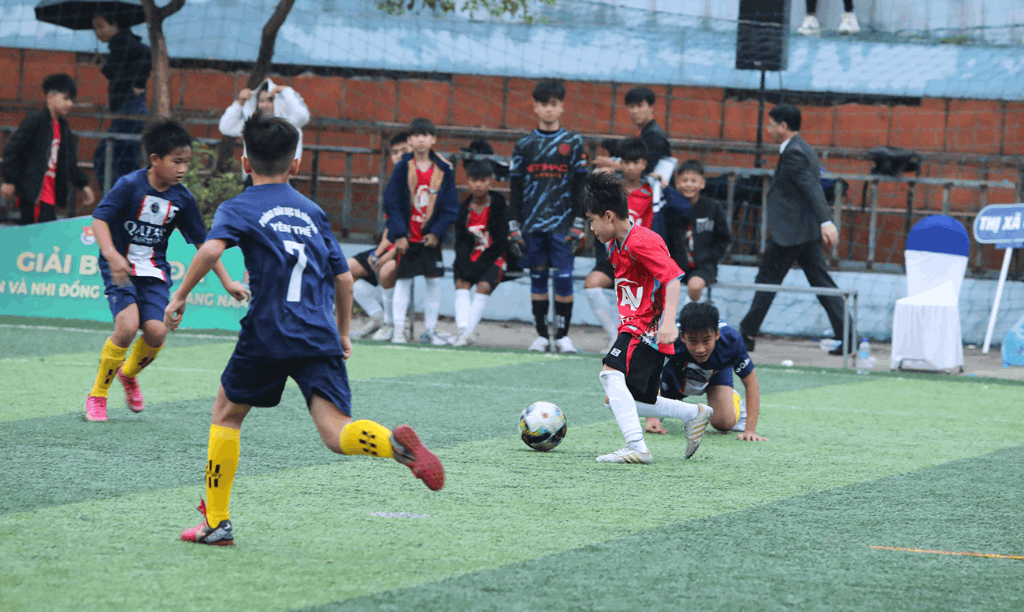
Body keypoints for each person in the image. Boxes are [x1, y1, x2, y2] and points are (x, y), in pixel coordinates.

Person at [164, 112, 444, 545]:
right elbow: (345, 279)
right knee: (335, 431)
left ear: (243, 162)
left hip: (268, 330)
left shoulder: (238, 206)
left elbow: (210, 249)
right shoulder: (313, 211)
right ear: (296, 164)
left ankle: (217, 523)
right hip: (318, 331)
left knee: (227, 414)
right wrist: (344, 333)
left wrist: (179, 296)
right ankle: (393, 444)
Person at [84, 118, 249, 422]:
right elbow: (99, 220)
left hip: (154, 272)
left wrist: (227, 282)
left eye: (187, 162)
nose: (183, 168)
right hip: (120, 268)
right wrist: (111, 254)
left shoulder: (182, 198)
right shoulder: (129, 185)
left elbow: (205, 245)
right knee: (126, 326)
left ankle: (129, 374)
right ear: (155, 160)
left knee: (157, 332)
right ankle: (97, 395)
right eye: (176, 162)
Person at [582, 172, 713, 465]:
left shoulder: (641, 241)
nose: (591, 228)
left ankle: (637, 447)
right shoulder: (617, 244)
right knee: (628, 399)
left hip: (646, 327)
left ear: (608, 216)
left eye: (592, 220)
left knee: (609, 375)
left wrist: (668, 323)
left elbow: (673, 279)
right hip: (637, 326)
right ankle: (693, 414)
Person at [738, 104, 850, 356]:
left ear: (783, 126)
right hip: (800, 232)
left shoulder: (795, 153)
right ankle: (848, 335)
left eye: (771, 124)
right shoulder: (798, 149)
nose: (768, 129)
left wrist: (825, 221)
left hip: (790, 233)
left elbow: (812, 188)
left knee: (767, 281)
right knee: (821, 284)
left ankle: (747, 334)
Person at [507, 80, 588, 353]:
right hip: (532, 224)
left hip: (563, 225)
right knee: (537, 279)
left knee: (564, 279)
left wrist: (579, 223)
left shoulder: (573, 143)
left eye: (553, 104)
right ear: (535, 107)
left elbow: (581, 186)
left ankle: (563, 336)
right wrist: (513, 225)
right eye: (543, 104)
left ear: (562, 106)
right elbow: (515, 189)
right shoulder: (524, 145)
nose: (548, 109)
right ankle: (542, 336)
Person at [383, 118, 459, 345]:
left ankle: (430, 331)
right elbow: (391, 203)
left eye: (426, 135)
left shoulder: (444, 169)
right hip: (408, 238)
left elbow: (450, 207)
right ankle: (398, 331)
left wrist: (437, 232)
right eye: (416, 135)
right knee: (403, 282)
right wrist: (399, 234)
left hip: (430, 239)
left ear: (433, 139)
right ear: (409, 140)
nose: (421, 139)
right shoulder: (402, 168)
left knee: (433, 282)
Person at [648, 302, 767, 441]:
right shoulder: (668, 336)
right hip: (678, 372)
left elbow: (751, 383)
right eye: (693, 341)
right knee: (663, 410)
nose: (700, 349)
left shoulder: (731, 341)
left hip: (717, 373)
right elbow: (650, 373)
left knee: (724, 423)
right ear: (682, 336)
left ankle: (733, 398)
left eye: (706, 340)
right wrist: (652, 416)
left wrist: (750, 430)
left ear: (716, 334)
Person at [584, 138, 654, 347]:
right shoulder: (612, 190)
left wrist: (662, 184)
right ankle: (616, 336)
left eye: (636, 162)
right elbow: (589, 208)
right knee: (591, 285)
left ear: (644, 164)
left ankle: (643, 340)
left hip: (641, 258)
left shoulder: (654, 191)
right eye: (627, 162)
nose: (631, 167)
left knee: (640, 301)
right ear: (620, 163)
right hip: (614, 257)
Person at [1, 74, 94, 224]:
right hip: (35, 193)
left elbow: (69, 161)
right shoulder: (35, 121)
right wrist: (9, 180)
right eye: (66, 98)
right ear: (50, 97)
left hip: (50, 193)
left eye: (72, 100)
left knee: (39, 232)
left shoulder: (64, 128)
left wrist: (83, 184)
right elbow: (13, 150)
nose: (70, 104)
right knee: (39, 233)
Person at [349, 132, 411, 341]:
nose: (399, 156)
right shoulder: (394, 180)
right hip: (392, 244)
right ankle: (376, 316)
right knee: (344, 269)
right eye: (395, 152)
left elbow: (413, 230)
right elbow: (390, 227)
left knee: (386, 270)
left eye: (404, 151)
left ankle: (390, 323)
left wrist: (386, 255)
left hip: (410, 247)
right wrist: (378, 251)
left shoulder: (417, 181)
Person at [452, 160, 509, 347]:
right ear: (467, 183)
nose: (478, 184)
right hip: (470, 258)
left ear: (490, 182)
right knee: (462, 282)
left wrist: (480, 264)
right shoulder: (464, 209)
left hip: (493, 257)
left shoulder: (499, 206)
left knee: (483, 286)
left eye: (483, 180)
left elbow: (501, 241)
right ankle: (463, 330)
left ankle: (466, 333)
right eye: (474, 180)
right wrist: (464, 262)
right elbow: (460, 241)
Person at [92, 10, 150, 190]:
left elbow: (147, 53)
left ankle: (117, 205)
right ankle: (121, 205)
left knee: (105, 159)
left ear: (115, 25)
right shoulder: (120, 44)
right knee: (122, 162)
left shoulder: (122, 41)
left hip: (130, 108)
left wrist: (139, 84)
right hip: (127, 108)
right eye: (95, 28)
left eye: (101, 26)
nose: (97, 32)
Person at [663, 160, 731, 303]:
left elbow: (723, 238)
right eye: (684, 180)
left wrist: (712, 257)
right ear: (677, 183)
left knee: (694, 286)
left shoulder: (713, 207)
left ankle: (690, 313)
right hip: (676, 265)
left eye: (693, 181)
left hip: (703, 266)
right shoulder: (670, 208)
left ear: (702, 184)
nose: (689, 184)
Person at [218, 78, 310, 182]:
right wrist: (239, 102)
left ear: (277, 101)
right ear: (256, 103)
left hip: (280, 182)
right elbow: (225, 127)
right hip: (253, 182)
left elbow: (303, 116)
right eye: (261, 101)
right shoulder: (251, 126)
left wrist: (286, 91)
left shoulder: (287, 124)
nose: (265, 105)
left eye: (270, 100)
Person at [593, 86, 672, 179]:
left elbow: (647, 168)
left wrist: (612, 164)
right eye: (631, 106)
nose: (634, 111)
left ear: (651, 107)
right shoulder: (647, 131)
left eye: (639, 105)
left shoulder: (654, 135)